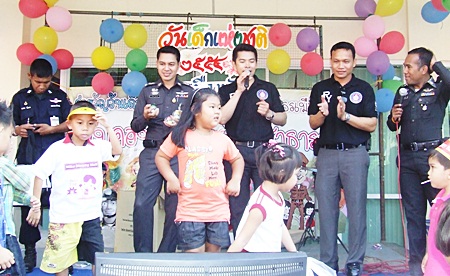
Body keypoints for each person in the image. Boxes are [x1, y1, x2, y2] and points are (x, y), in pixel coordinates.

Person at [26, 100, 122, 276]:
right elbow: (39, 174)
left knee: (97, 259)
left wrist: (108, 127)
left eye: (91, 123)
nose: (85, 128)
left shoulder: (98, 147)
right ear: (69, 124)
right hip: (63, 218)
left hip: (90, 217)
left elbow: (117, 151)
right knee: (60, 261)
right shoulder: (57, 149)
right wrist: (36, 205)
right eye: (79, 123)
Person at [308, 41, 377, 275]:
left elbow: (372, 124)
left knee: (356, 209)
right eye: (336, 61)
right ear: (330, 61)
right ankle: (328, 262)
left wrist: (346, 116)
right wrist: (323, 114)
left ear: (354, 62)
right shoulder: (321, 87)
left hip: (355, 154)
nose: (340, 66)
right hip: (327, 154)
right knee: (326, 210)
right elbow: (312, 123)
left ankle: (355, 262)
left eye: (345, 61)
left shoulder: (364, 88)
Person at [155, 88, 244, 252]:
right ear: (195, 110)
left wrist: (236, 179)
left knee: (212, 261)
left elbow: (237, 159)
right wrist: (171, 178)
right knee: (194, 261)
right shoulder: (180, 136)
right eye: (212, 107)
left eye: (219, 107)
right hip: (190, 212)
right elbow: (161, 157)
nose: (217, 111)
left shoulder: (222, 139)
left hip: (218, 211)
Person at [387, 47, 450, 276]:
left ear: (424, 69)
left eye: (409, 66)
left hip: (432, 159)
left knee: (442, 211)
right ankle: (416, 269)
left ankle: (441, 265)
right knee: (413, 215)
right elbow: (391, 126)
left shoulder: (439, 89)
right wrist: (393, 119)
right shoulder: (402, 92)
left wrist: (437, 64)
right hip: (407, 159)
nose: (405, 70)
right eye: (404, 66)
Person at [218, 43, 287, 236]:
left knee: (265, 200)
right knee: (237, 203)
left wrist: (270, 113)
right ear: (234, 64)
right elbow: (222, 118)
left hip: (262, 152)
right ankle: (241, 248)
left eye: (251, 61)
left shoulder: (267, 88)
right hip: (235, 152)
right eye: (242, 61)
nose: (247, 66)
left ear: (256, 64)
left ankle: (264, 245)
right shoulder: (226, 90)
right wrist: (239, 91)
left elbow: (282, 119)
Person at [130, 45, 194, 252]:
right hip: (152, 153)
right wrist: (146, 117)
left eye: (171, 64)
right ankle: (143, 255)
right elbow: (135, 126)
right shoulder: (147, 91)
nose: (167, 68)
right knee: (141, 204)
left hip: (177, 153)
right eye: (162, 64)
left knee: (175, 207)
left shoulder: (189, 93)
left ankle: (166, 254)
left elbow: (196, 125)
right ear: (156, 65)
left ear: (178, 66)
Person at [11, 58, 71, 272]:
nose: (42, 86)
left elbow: (71, 123)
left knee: (59, 202)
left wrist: (52, 130)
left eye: (46, 82)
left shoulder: (60, 97)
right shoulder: (19, 98)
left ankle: (61, 253)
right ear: (30, 77)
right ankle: (29, 251)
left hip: (56, 156)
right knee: (30, 204)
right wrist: (17, 130)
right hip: (29, 156)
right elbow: (9, 124)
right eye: (38, 82)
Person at [227, 141, 299, 253]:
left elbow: (280, 225)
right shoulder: (260, 206)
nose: (296, 179)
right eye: (295, 175)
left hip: (269, 258)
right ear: (281, 174)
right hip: (254, 261)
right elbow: (241, 241)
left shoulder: (277, 195)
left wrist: (294, 253)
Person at [0, 101, 40, 275]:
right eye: (10, 136)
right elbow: (24, 182)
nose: (10, 143)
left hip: (7, 233)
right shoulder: (2, 164)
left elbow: (8, 192)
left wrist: (27, 200)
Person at [421, 140, 450, 274]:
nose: (428, 173)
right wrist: (428, 253)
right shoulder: (439, 198)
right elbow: (432, 232)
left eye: (433, 167)